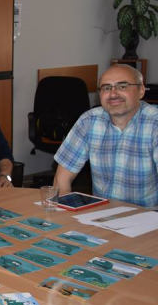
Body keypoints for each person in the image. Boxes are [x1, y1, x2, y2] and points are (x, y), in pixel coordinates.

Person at [54, 64, 158, 206]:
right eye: (106, 88)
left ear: (141, 91)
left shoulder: (154, 123)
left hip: (147, 214)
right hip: (101, 213)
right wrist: (64, 212)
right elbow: (62, 179)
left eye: (122, 86)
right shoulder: (89, 120)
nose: (113, 94)